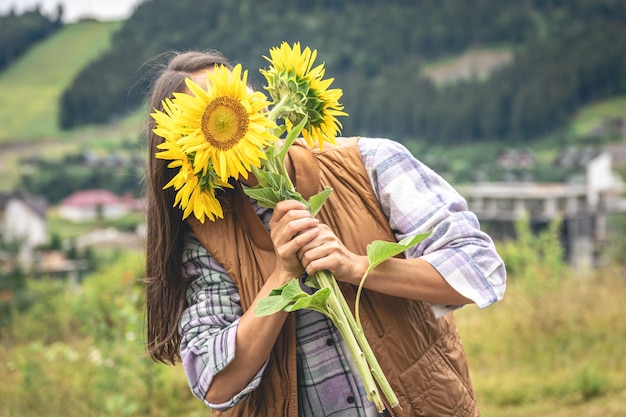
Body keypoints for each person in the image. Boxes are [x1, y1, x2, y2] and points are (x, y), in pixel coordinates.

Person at [144, 50, 506, 417]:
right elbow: (215, 383)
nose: (229, 115)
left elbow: (478, 268)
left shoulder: (369, 163)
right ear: (187, 148)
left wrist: (357, 267)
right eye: (203, 118)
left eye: (232, 96)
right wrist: (283, 276)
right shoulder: (206, 235)